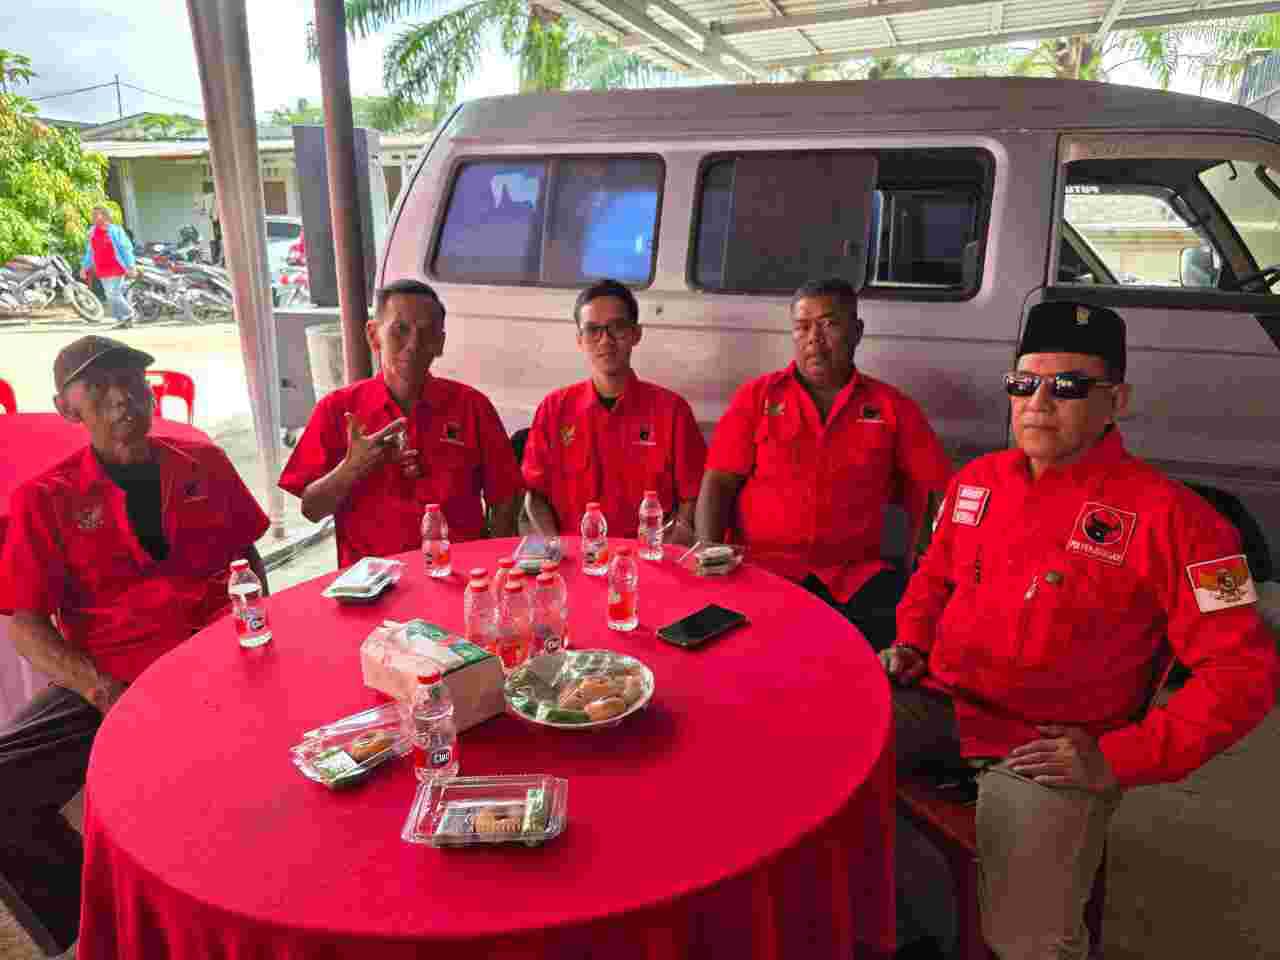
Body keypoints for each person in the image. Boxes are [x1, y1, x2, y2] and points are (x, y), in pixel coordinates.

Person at [886, 301, 1278, 960]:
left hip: (1051, 747)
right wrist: (910, 643)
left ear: (1115, 401)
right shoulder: (975, 483)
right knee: (814, 766)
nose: (1038, 402)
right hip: (940, 701)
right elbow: (932, 577)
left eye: (1067, 386)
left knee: (1029, 941)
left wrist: (1122, 757)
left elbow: (1246, 672)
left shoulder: (1188, 525)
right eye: (1024, 382)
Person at [0, 335, 270, 957]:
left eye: (131, 381)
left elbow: (249, 556)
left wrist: (257, 629)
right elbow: (25, 624)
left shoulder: (204, 466)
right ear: (67, 409)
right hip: (115, 679)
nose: (121, 397)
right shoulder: (46, 499)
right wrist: (100, 690)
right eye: (98, 387)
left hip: (223, 661)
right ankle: (97, 923)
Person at [695, 277, 951, 651]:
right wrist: (710, 555)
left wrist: (932, 572)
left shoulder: (892, 408)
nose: (814, 339)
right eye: (802, 326)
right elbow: (718, 481)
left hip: (856, 577)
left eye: (829, 324)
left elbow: (941, 492)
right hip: (762, 571)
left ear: (857, 331)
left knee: (876, 663)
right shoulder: (757, 398)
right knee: (747, 659)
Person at [279, 279, 523, 567]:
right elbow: (311, 510)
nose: (414, 345)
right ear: (374, 335)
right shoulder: (338, 410)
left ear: (440, 343)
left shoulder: (472, 407)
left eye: (427, 333)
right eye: (400, 330)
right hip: (373, 579)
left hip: (458, 572)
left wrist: (493, 563)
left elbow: (506, 499)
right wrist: (351, 468)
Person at [522, 278, 707, 542]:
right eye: (593, 330)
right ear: (580, 340)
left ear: (636, 334)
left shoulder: (673, 412)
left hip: (649, 559)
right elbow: (534, 496)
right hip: (574, 558)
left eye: (617, 327)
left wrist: (667, 550)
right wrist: (555, 546)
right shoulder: (554, 409)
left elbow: (693, 497)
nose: (605, 340)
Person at [80, 206, 138, 330]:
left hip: (117, 267)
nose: (93, 217)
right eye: (92, 215)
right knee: (109, 295)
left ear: (105, 216)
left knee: (114, 293)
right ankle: (122, 320)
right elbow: (90, 252)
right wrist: (84, 267)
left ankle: (129, 313)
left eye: (96, 214)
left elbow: (126, 248)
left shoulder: (116, 230)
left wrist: (131, 266)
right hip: (102, 269)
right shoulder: (92, 232)